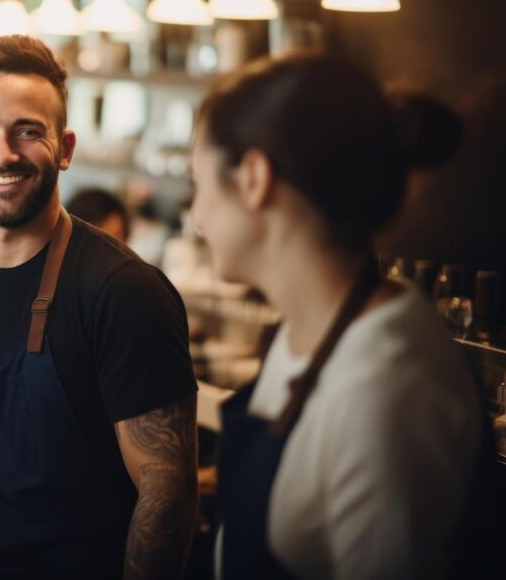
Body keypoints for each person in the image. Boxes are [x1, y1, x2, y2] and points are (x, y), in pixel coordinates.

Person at [0, 35, 198, 579]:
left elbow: (167, 487)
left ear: (65, 147)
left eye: (27, 131)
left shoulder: (124, 291)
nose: (3, 154)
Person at [191, 54, 482, 578]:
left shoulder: (385, 385)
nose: (196, 215)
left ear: (254, 178)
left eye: (201, 186)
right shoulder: (308, 329)